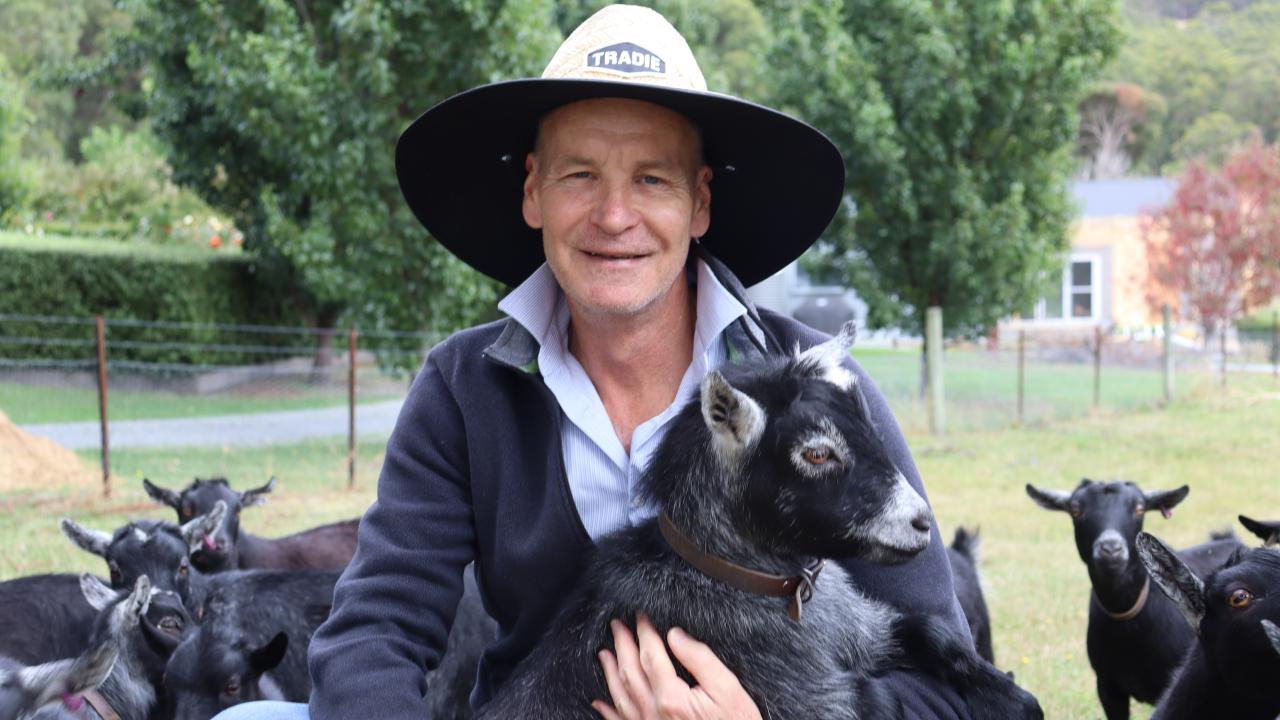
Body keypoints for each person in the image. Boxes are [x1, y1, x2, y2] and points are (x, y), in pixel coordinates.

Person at [215, 5, 977, 719]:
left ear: (700, 202)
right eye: (580, 174)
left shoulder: (815, 390)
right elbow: (375, 630)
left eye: (651, 178)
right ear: (534, 191)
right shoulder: (463, 388)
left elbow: (942, 675)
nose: (615, 217)